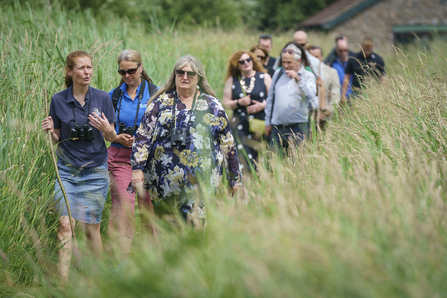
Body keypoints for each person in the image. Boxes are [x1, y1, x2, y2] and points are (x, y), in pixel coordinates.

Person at [130, 54, 241, 220]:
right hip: (164, 183)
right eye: (180, 72)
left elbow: (228, 144)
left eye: (190, 74)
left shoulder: (212, 104)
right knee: (169, 232)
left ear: (199, 77)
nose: (184, 77)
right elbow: (143, 137)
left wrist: (234, 179)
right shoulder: (160, 103)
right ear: (174, 75)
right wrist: (137, 169)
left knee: (197, 231)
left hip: (202, 183)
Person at [41, 51, 116, 282]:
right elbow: (56, 139)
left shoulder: (103, 98)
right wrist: (49, 131)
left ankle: (96, 280)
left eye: (89, 67)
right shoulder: (58, 100)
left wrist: (106, 129)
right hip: (67, 170)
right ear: (69, 71)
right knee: (65, 224)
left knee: (91, 227)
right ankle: (62, 285)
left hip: (95, 171)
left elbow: (112, 138)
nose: (87, 72)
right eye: (81, 68)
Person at [107, 50, 158, 263]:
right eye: (122, 71)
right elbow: (106, 130)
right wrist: (118, 137)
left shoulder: (156, 93)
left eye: (131, 71)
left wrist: (142, 140)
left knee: (149, 207)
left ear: (141, 68)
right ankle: (122, 259)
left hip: (149, 159)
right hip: (120, 157)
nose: (127, 75)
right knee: (124, 206)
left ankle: (153, 257)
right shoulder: (114, 95)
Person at [222, 50, 272, 171]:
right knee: (244, 157)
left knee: (263, 157)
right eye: (242, 61)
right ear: (237, 65)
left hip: (261, 123)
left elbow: (273, 99)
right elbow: (225, 103)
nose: (246, 63)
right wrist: (239, 102)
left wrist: (262, 105)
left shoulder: (263, 77)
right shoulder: (232, 80)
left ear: (253, 60)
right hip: (240, 124)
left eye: (248, 59)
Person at [265, 43, 316, 152]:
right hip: (277, 128)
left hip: (298, 128)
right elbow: (270, 99)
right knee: (274, 164)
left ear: (298, 61)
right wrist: (267, 123)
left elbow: (311, 95)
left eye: (289, 62)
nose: (286, 65)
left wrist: (298, 79)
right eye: (283, 62)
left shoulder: (308, 76)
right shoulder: (278, 73)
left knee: (297, 163)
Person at [342, 37, 386, 103]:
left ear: (372, 47)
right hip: (357, 93)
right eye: (365, 50)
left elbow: (383, 78)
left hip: (374, 93)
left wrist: (385, 93)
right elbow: (347, 77)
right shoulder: (353, 59)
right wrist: (343, 95)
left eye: (369, 50)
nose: (367, 52)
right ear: (361, 47)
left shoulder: (378, 60)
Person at [308, 46, 341, 125]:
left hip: (327, 114)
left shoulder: (331, 72)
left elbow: (335, 93)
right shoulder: (304, 72)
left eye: (316, 57)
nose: (314, 59)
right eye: (311, 57)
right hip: (309, 115)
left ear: (321, 57)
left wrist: (328, 110)